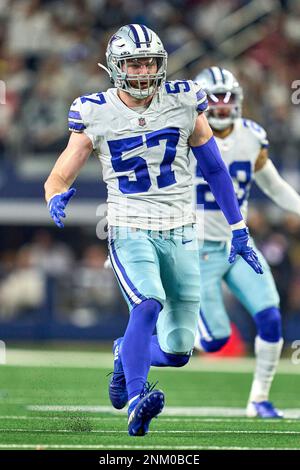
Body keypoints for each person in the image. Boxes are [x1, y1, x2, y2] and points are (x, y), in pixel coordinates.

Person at [44, 26, 262, 436]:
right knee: (147, 303)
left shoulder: (182, 100)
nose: (143, 71)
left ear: (161, 64)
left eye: (149, 62)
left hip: (181, 230)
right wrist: (54, 194)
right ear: (115, 67)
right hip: (129, 226)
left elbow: (214, 168)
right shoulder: (96, 110)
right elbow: (59, 173)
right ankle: (136, 401)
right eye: (134, 63)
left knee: (179, 351)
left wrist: (238, 228)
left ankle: (123, 355)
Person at [193, 66, 300, 418]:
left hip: (238, 244)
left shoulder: (252, 135)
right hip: (195, 249)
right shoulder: (182, 134)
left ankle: (258, 398)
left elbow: (273, 186)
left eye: (228, 98)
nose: (222, 106)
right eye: (215, 98)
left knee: (270, 316)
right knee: (214, 341)